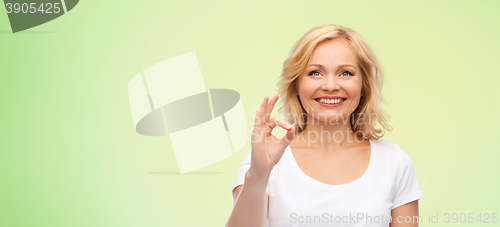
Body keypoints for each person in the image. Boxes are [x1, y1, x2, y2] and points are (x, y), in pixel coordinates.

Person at [225, 24, 423, 227]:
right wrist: (258, 175)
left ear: (363, 86)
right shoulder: (264, 160)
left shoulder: (394, 161)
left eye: (345, 73)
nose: (330, 86)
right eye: (315, 73)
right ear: (296, 87)